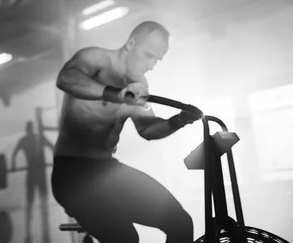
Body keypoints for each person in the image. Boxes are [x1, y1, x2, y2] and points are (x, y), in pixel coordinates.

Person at [51, 21, 199, 243]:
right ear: (131, 44)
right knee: (125, 239)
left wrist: (179, 120)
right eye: (148, 55)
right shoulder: (95, 59)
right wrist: (116, 94)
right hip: (72, 174)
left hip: (107, 170)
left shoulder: (139, 83)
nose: (151, 65)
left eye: (156, 60)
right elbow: (65, 79)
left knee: (181, 223)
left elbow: (147, 129)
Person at [11, 119, 54, 243]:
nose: (29, 131)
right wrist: (13, 164)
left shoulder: (33, 138)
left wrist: (13, 163)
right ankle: (29, 234)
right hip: (35, 174)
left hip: (37, 175)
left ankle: (40, 232)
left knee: (41, 202)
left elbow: (52, 147)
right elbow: (15, 152)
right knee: (31, 203)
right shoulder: (29, 139)